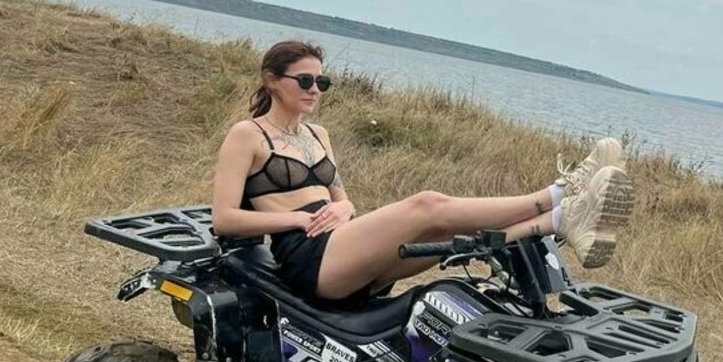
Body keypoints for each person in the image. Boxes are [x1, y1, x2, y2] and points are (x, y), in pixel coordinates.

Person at [211, 39, 634, 308]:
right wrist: (297, 219)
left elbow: (341, 197)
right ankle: (560, 192)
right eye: (305, 80)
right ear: (271, 80)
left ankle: (560, 221)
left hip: (343, 242)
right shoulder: (248, 135)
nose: (314, 90)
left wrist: (345, 208)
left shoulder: (318, 134)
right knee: (428, 205)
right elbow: (225, 218)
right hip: (310, 260)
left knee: (448, 236)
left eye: (323, 82)